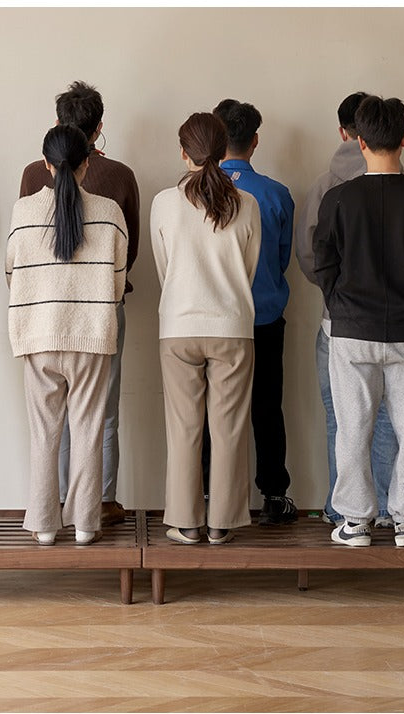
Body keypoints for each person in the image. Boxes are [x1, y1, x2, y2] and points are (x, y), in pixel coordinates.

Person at [313, 95, 404, 547]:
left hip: (351, 331)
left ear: (360, 142)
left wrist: (339, 301)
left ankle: (356, 522)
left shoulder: (338, 199)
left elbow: (323, 259)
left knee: (352, 427)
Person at [295, 91, 404, 529]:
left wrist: (336, 296)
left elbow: (310, 256)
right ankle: (388, 510)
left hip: (339, 323)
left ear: (347, 134)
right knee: (394, 420)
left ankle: (344, 512)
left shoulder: (325, 188)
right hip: (402, 324)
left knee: (342, 420)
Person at [19, 81, 139, 527]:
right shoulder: (120, 177)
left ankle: (55, 509)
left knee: (48, 422)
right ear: (99, 128)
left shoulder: (33, 176)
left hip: (42, 316)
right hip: (100, 312)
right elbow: (128, 254)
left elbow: (21, 256)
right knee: (101, 415)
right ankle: (96, 506)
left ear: (55, 126)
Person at [151, 112, 261, 545]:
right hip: (233, 326)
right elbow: (248, 270)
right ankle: (222, 524)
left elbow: (164, 269)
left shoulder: (164, 202)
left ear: (184, 153)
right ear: (224, 149)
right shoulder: (246, 203)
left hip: (178, 326)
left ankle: (186, 523)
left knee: (184, 427)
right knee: (229, 428)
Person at [212, 99, 297, 526]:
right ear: (255, 141)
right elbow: (282, 260)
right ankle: (275, 495)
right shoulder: (277, 194)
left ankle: (208, 492)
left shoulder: (198, 192)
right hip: (263, 314)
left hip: (215, 318)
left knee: (212, 409)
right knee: (267, 406)